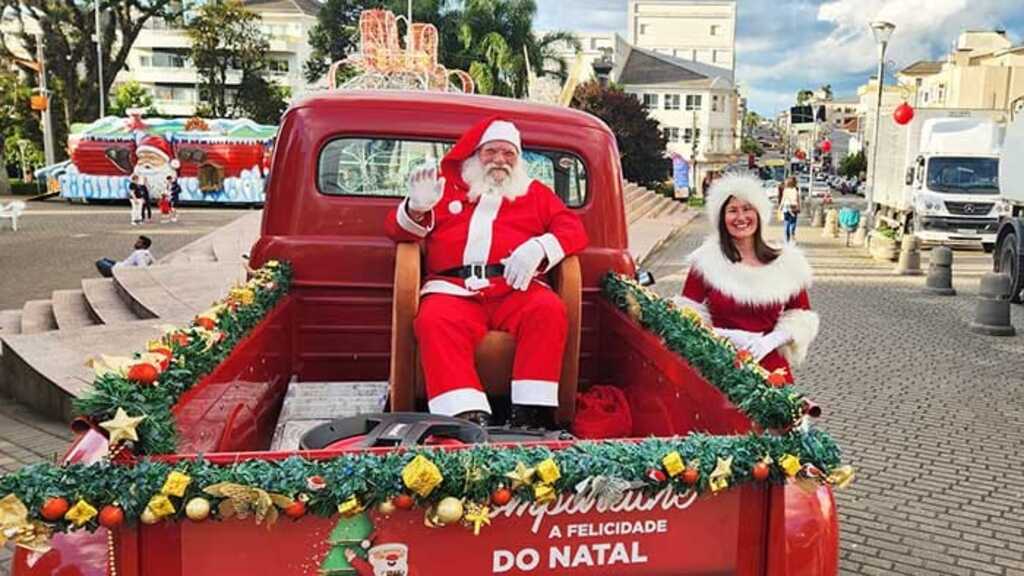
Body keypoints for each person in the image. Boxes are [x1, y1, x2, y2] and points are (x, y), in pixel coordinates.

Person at [385, 117, 588, 427]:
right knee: (434, 320)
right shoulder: (445, 189)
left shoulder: (535, 194)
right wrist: (416, 208)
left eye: (509, 154)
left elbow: (573, 229)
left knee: (548, 310)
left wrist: (540, 248)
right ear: (475, 155)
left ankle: (531, 414)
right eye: (491, 152)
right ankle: (466, 415)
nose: (499, 160)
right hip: (453, 289)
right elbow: (397, 233)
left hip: (514, 287)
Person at [676, 174, 819, 385]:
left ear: (759, 213)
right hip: (720, 366)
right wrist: (722, 335)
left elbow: (801, 317)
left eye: (747, 209)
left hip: (770, 370)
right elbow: (685, 317)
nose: (741, 217)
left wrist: (771, 341)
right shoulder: (706, 262)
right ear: (722, 218)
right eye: (732, 210)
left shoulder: (787, 263)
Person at [779, 176, 801, 244]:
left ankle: (787, 238)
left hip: (786, 208)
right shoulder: (796, 190)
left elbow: (783, 199)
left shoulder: (786, 190)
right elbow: (797, 199)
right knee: (793, 222)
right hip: (793, 207)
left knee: (786, 223)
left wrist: (780, 207)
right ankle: (792, 234)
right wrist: (799, 207)